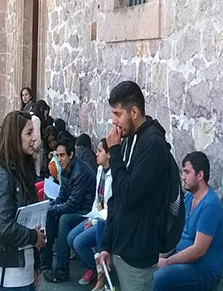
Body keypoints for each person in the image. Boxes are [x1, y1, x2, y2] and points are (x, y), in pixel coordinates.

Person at [96, 81, 171, 291]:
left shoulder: (152, 145)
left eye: (118, 114)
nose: (114, 121)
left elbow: (129, 195)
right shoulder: (129, 139)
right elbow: (116, 198)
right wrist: (106, 245)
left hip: (137, 256)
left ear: (134, 112)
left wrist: (115, 152)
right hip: (120, 249)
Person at [0, 110, 46, 290]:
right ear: (15, 137)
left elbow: (31, 220)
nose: (34, 138)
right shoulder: (2, 175)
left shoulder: (24, 171)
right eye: (29, 133)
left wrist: (35, 265)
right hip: (9, 276)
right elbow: (4, 228)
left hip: (26, 272)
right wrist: (33, 236)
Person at [153, 152, 223, 291]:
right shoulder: (188, 198)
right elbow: (175, 236)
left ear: (200, 175)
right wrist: (156, 258)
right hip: (180, 261)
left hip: (202, 270)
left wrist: (167, 262)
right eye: (183, 172)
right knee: (146, 270)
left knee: (157, 279)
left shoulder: (210, 206)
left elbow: (198, 251)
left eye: (187, 172)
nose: (183, 177)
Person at [42, 137, 96, 283]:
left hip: (87, 210)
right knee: (50, 214)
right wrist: (50, 207)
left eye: (62, 155)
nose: (59, 159)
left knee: (64, 219)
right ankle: (45, 261)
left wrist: (53, 209)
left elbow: (72, 204)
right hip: (77, 207)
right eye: (57, 155)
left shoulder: (80, 172)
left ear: (71, 155)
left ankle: (62, 270)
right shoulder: (66, 169)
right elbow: (62, 196)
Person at [67, 138, 112, 290]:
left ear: (109, 154)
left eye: (100, 151)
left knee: (79, 242)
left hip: (105, 220)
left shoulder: (114, 175)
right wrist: (91, 218)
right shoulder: (100, 170)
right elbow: (97, 199)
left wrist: (94, 221)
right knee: (71, 238)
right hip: (95, 216)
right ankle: (94, 268)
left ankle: (102, 276)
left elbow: (110, 206)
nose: (96, 154)